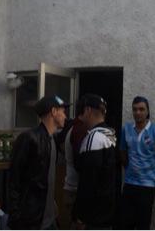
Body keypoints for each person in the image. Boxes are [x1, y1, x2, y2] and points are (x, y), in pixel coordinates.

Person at [8, 96, 69, 229]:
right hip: (30, 219)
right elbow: (14, 179)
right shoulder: (29, 138)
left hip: (48, 217)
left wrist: (51, 202)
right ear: (53, 111)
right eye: (63, 111)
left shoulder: (52, 139)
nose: (65, 116)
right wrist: (16, 216)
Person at [119, 96, 155, 229]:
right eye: (135, 109)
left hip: (147, 187)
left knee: (143, 225)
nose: (138, 112)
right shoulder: (126, 129)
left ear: (147, 111)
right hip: (129, 184)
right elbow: (122, 152)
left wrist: (154, 174)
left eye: (141, 109)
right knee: (124, 224)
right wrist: (129, 168)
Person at [72, 94, 120, 230]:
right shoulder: (109, 135)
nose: (79, 115)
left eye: (81, 110)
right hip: (105, 213)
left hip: (93, 217)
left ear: (87, 110)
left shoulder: (94, 138)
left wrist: (79, 216)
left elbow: (88, 181)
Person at [63, 97, 92, 228]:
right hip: (76, 190)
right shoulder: (79, 130)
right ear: (88, 110)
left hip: (73, 188)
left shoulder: (75, 127)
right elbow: (80, 162)